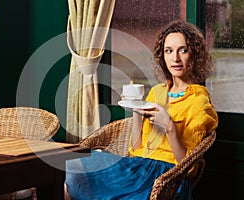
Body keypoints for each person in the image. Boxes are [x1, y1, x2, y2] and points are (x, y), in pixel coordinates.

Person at [65, 20, 218, 200]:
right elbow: (137, 148)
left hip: (165, 176)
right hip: (137, 167)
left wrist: (170, 128)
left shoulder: (199, 103)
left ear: (195, 55)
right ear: (162, 55)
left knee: (77, 172)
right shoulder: (157, 92)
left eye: (183, 50)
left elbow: (188, 168)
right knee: (74, 168)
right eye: (169, 51)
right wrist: (136, 109)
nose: (175, 58)